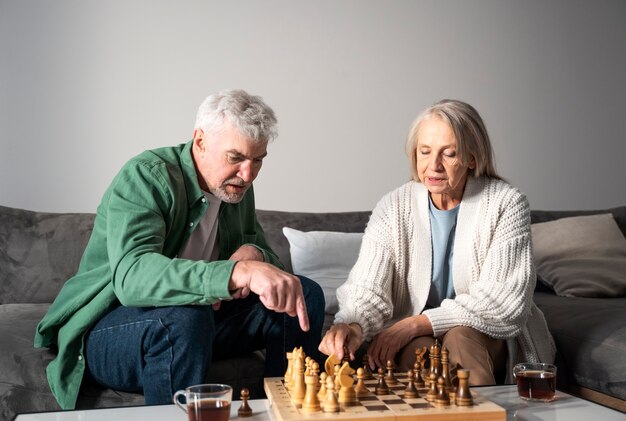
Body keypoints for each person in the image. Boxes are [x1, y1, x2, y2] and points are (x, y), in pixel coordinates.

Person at [34, 89, 325, 409]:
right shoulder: (146, 176)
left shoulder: (236, 187)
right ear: (200, 141)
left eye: (258, 160)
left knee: (303, 294)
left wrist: (254, 256)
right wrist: (233, 272)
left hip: (200, 325)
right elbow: (133, 278)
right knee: (185, 315)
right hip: (115, 329)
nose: (248, 174)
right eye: (236, 157)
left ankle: (286, 412)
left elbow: (260, 252)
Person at [319, 99, 555, 385]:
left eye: (449, 153)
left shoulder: (507, 203)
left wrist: (419, 323)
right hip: (416, 338)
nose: (434, 165)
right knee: (419, 352)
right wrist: (354, 325)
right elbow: (368, 286)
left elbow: (504, 302)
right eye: (425, 151)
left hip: (484, 336)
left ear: (471, 158)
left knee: (460, 338)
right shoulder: (393, 206)